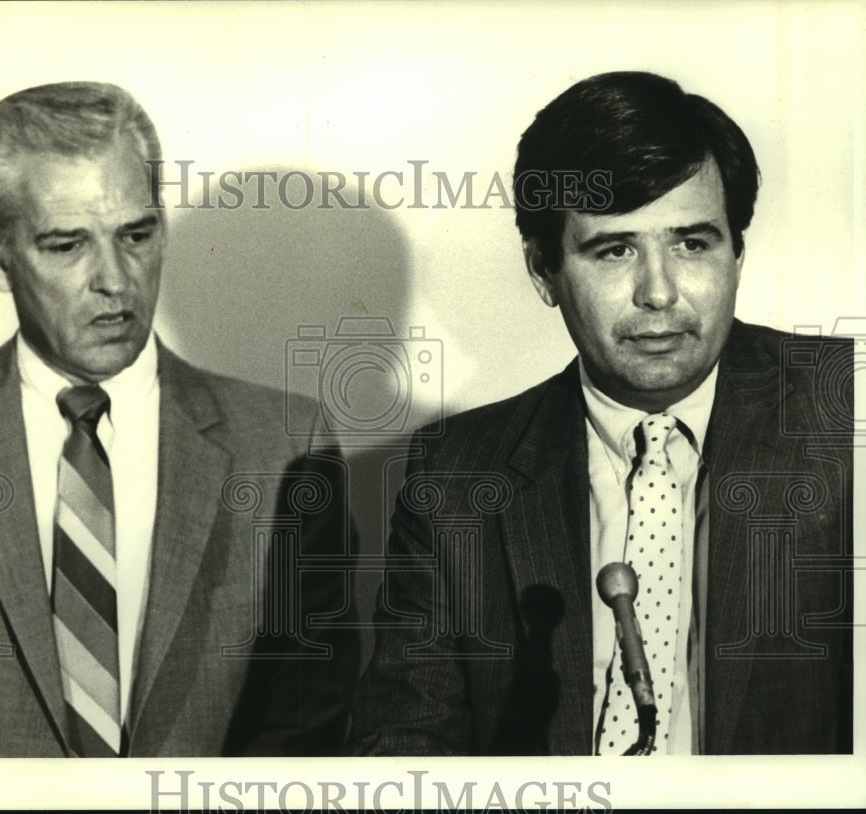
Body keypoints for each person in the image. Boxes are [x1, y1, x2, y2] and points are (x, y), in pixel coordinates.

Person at [348, 71, 853, 755]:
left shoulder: (842, 413)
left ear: (739, 253)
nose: (659, 293)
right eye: (615, 250)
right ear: (542, 271)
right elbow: (402, 753)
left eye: (693, 244)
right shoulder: (456, 476)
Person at [0, 81, 358, 757]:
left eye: (135, 234)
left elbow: (305, 727)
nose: (115, 279)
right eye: (66, 245)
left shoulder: (286, 443)